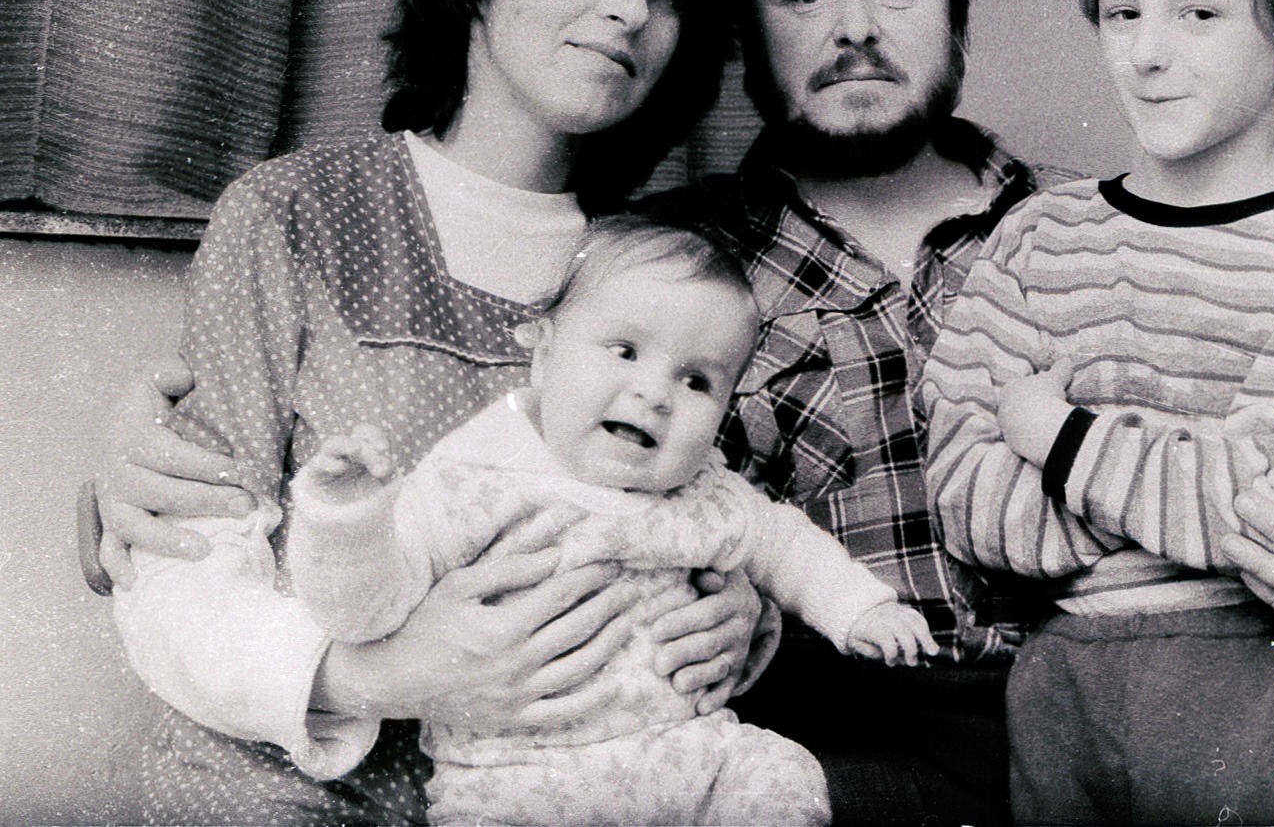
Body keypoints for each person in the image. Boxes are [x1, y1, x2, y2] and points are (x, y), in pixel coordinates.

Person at [89, 0, 1274, 826]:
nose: (854, 28)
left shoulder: (1089, 231)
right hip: (836, 736)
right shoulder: (674, 270)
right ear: (747, 44)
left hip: (1099, 702)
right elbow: (534, 463)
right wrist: (122, 479)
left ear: (958, 23)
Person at [91, 0, 763, 825]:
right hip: (281, 795)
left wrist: (739, 621)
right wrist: (377, 675)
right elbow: (173, 570)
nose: (631, 7)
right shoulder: (294, 212)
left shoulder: (667, 274)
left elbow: (693, 526)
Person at [921, 0, 1274, 825]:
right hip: (1066, 688)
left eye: (1197, 14)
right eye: (1122, 12)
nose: (1145, 54)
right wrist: (1192, 493)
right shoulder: (1037, 236)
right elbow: (965, 497)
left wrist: (1060, 437)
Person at [262, 217, 937, 826]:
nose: (655, 394)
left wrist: (860, 608)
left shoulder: (703, 493)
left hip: (686, 755)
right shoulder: (475, 479)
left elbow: (783, 542)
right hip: (515, 782)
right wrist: (347, 518)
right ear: (543, 353)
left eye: (697, 381)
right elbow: (361, 613)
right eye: (625, 351)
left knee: (780, 777)